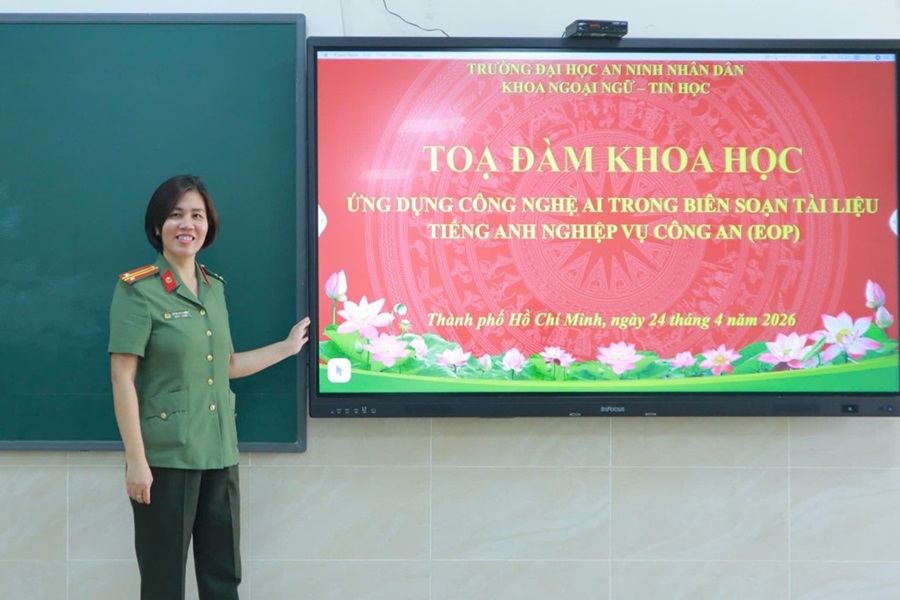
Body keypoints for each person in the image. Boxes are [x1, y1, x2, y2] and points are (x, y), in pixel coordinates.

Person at [108, 174, 309, 599]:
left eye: (197, 215)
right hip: (166, 459)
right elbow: (122, 377)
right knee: (163, 583)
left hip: (219, 452)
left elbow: (226, 365)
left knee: (223, 577)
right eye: (176, 215)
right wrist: (136, 461)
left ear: (208, 224)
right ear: (158, 225)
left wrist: (287, 348)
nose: (187, 224)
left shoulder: (214, 288)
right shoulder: (137, 290)